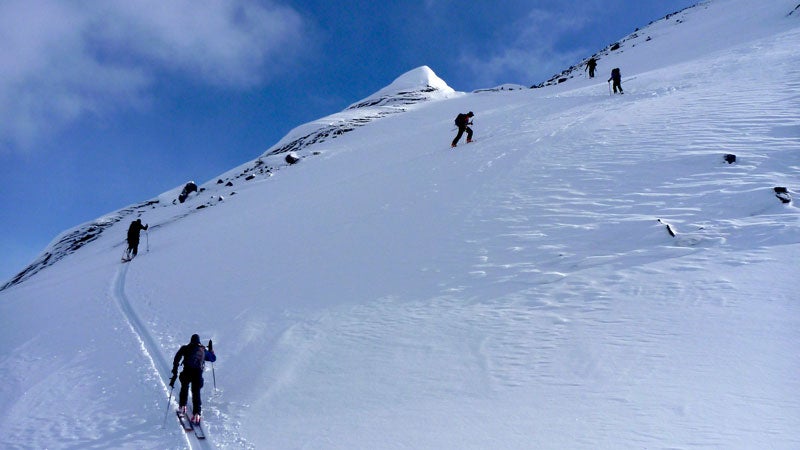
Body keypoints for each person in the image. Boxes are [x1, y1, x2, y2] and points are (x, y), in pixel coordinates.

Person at [170, 334, 216, 423]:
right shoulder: (203, 350)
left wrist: (175, 370)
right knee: (196, 393)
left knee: (184, 388)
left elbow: (177, 358)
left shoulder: (185, 348)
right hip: (198, 374)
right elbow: (213, 359)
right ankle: (197, 415)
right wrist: (211, 350)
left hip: (187, 372)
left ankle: (182, 407)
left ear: (191, 340)